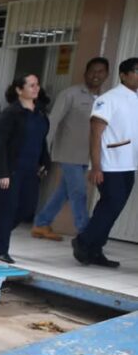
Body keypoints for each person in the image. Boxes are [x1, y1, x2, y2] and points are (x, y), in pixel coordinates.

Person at [32, 58, 110, 241]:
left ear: (106, 74)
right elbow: (52, 122)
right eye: (93, 71)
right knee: (78, 192)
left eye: (101, 72)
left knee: (64, 192)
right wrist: (42, 150)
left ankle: (41, 223)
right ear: (85, 73)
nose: (96, 75)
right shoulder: (70, 94)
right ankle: (86, 232)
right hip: (68, 152)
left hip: (88, 155)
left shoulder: (106, 98)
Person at [72, 58, 138, 268]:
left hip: (128, 164)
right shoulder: (109, 99)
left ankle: (95, 249)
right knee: (111, 204)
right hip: (110, 164)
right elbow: (95, 134)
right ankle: (83, 241)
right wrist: (97, 166)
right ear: (123, 75)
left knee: (112, 207)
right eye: (137, 71)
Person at [0, 73, 51, 264]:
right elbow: (1, 144)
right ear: (19, 90)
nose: (36, 88)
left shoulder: (40, 113)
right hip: (11, 170)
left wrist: (45, 161)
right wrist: (3, 172)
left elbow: (41, 140)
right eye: (31, 85)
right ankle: (0, 250)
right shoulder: (11, 113)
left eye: (37, 85)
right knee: (7, 209)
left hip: (31, 170)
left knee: (28, 208)